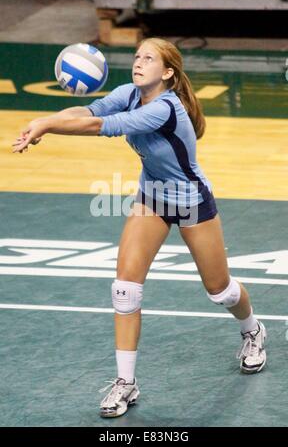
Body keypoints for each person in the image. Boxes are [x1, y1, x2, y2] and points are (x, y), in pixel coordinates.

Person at [13, 37, 267, 419]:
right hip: (152, 197)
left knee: (220, 290)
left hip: (191, 201)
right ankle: (125, 382)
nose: (138, 62)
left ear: (166, 72)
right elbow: (88, 110)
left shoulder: (167, 109)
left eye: (148, 58)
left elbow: (102, 125)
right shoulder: (128, 93)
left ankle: (253, 331)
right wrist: (44, 124)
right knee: (125, 289)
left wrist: (46, 123)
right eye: (136, 56)